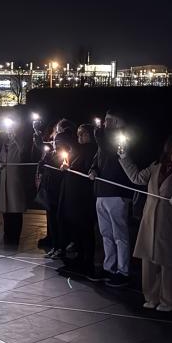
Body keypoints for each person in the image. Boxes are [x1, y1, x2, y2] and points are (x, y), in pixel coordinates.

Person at [119, 135, 172, 312]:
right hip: (150, 218)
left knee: (170, 262)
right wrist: (124, 157)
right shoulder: (156, 166)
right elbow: (137, 178)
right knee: (149, 260)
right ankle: (151, 296)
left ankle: (170, 299)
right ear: (169, 148)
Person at [88, 109, 133, 287]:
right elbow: (98, 159)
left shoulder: (121, 138)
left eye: (108, 120)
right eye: (105, 120)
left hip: (117, 193)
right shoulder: (103, 141)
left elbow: (112, 153)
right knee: (106, 233)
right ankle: (109, 267)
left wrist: (99, 133)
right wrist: (93, 169)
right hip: (102, 191)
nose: (105, 123)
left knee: (119, 234)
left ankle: (123, 271)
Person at [57, 124, 98, 276]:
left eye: (84, 134)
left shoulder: (91, 150)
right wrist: (66, 166)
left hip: (83, 198)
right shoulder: (77, 150)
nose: (80, 137)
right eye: (79, 134)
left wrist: (71, 169)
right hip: (72, 197)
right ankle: (78, 259)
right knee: (76, 230)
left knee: (85, 230)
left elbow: (88, 170)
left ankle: (87, 262)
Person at [37, 125, 76, 258]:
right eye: (55, 142)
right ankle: (55, 246)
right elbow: (44, 170)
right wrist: (42, 165)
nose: (55, 144)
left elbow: (62, 173)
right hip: (49, 191)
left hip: (59, 192)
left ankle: (61, 247)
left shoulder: (65, 155)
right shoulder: (51, 154)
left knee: (60, 221)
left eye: (58, 142)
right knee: (51, 221)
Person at [0, 124, 26, 244]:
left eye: (11, 130)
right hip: (4, 180)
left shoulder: (19, 143)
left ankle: (15, 235)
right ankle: (7, 233)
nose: (9, 132)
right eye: (8, 130)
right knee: (6, 210)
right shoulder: (4, 145)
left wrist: (15, 138)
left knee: (16, 209)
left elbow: (23, 153)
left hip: (15, 181)